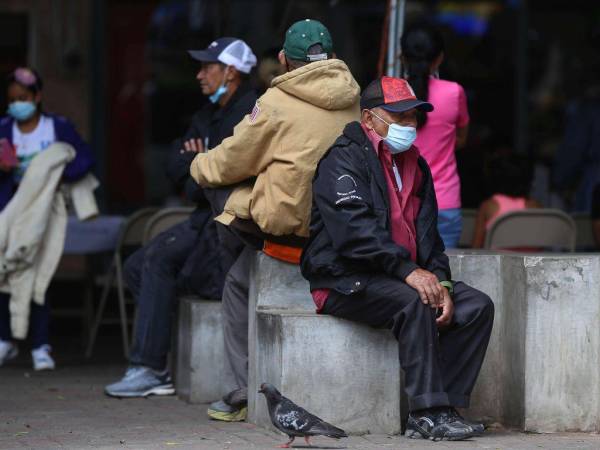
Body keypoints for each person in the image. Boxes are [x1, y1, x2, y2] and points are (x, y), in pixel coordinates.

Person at [301, 77, 494, 441]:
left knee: (476, 306)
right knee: (414, 301)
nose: (409, 126)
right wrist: (410, 273)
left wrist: (443, 284)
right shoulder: (342, 159)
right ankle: (425, 412)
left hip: (400, 276)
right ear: (369, 118)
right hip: (346, 278)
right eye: (399, 117)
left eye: (413, 118)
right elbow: (354, 236)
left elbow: (430, 238)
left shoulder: (416, 165)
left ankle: (445, 407)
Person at [190, 19, 360, 421]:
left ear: (284, 59)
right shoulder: (354, 100)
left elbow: (229, 161)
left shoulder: (275, 102)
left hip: (288, 230)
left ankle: (237, 392)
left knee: (233, 270)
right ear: (331, 57)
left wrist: (196, 164)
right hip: (340, 228)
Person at [104, 38, 257, 397]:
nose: (200, 74)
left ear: (231, 71)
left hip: (226, 224)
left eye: (208, 67)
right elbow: (178, 166)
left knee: (158, 258)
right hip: (201, 217)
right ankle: (158, 354)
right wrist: (198, 168)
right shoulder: (206, 114)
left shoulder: (250, 112)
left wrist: (198, 168)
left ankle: (150, 368)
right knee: (136, 265)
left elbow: (228, 175)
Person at [0, 67, 94, 370]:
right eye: (12, 99)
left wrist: (54, 176)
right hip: (10, 211)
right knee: (6, 271)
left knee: (40, 274)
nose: (17, 104)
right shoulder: (4, 128)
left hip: (45, 213)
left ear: (37, 97)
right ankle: (6, 340)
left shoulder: (57, 128)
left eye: (23, 98)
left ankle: (41, 345)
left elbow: (83, 158)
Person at [401, 23, 470, 248]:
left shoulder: (390, 95)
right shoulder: (454, 92)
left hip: (401, 203)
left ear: (402, 58)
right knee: (443, 277)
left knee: (401, 278)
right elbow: (460, 139)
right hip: (445, 202)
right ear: (439, 58)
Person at [471, 154, 540, 248]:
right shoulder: (535, 206)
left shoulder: (488, 206)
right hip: (529, 262)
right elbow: (540, 246)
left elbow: (476, 248)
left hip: (497, 262)